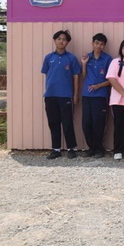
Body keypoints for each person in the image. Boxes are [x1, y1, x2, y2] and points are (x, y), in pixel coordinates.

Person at [42, 30, 81, 159]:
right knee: (53, 122)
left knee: (67, 122)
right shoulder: (48, 58)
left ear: (67, 42)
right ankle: (56, 149)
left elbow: (76, 76)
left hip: (66, 95)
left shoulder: (71, 58)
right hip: (50, 95)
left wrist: (75, 95)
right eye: (59, 39)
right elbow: (47, 75)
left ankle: (71, 148)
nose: (61, 41)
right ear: (55, 40)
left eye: (64, 39)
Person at [80, 33, 111, 158]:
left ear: (104, 46)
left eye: (101, 44)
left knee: (99, 123)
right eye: (97, 43)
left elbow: (112, 79)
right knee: (86, 122)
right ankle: (91, 148)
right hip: (87, 95)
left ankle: (99, 148)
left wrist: (99, 86)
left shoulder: (108, 59)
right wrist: (83, 64)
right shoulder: (87, 57)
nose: (99, 46)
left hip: (101, 95)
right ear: (92, 43)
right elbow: (83, 77)